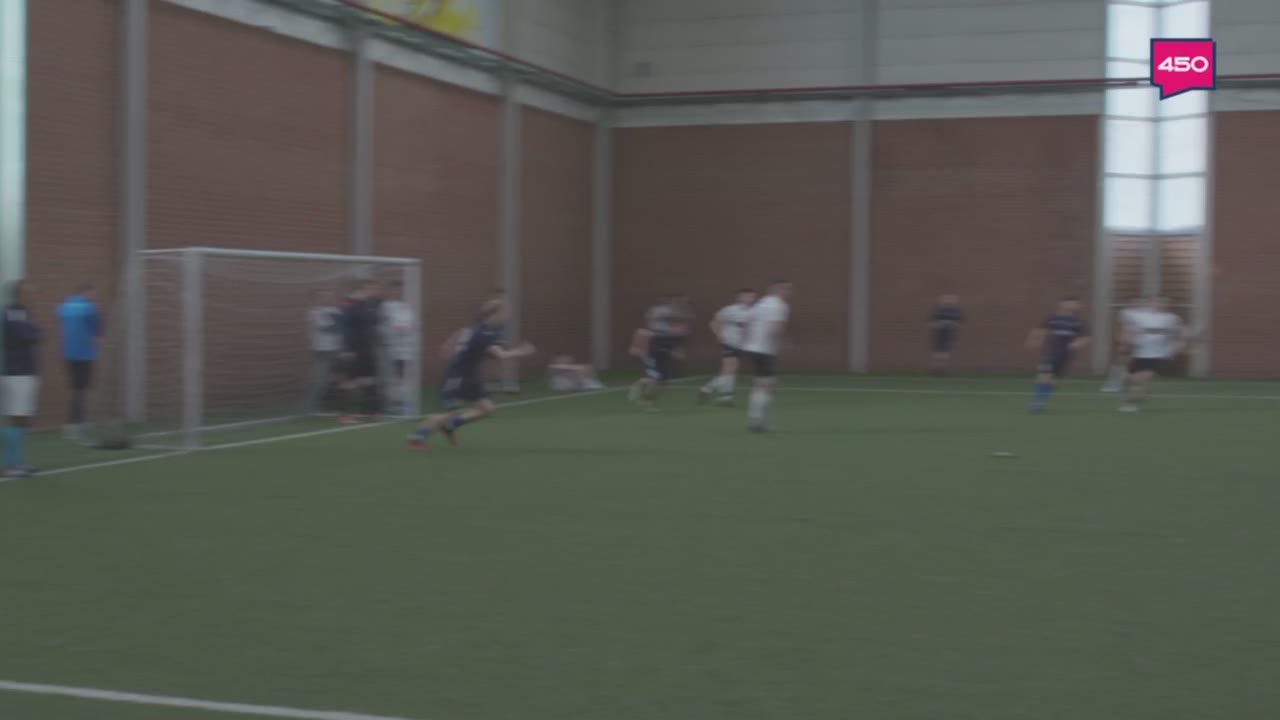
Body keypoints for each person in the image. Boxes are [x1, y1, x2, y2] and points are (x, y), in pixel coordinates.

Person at [406, 298, 534, 449]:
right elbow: (501, 355)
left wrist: (450, 344)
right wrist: (522, 351)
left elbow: (465, 335)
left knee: (487, 408)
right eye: (505, 312)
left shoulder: (486, 329)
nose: (507, 315)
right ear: (496, 313)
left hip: (471, 375)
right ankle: (417, 437)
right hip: (457, 375)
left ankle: (450, 426)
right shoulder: (484, 332)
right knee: (447, 412)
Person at [1119, 296, 1187, 413]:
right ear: (1150, 303)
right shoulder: (1138, 315)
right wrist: (1126, 338)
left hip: (1158, 355)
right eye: (1158, 302)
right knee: (1131, 379)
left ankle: (1132, 403)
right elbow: (1125, 318)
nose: (1161, 304)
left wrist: (1180, 345)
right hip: (1139, 354)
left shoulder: (1171, 318)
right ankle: (1131, 389)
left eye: (1164, 302)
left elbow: (1183, 331)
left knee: (1143, 380)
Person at [742, 281, 792, 432]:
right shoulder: (779, 305)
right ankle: (757, 420)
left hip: (753, 348)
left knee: (760, 384)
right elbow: (775, 328)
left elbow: (746, 322)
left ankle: (756, 419)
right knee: (769, 385)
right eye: (786, 288)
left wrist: (750, 340)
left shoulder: (760, 304)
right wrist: (783, 344)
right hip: (765, 350)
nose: (789, 292)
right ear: (777, 290)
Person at [1025, 296, 1090, 413]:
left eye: (1076, 304)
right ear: (1062, 304)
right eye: (1072, 303)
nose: (1075, 306)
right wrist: (1034, 340)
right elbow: (1039, 329)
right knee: (1044, 375)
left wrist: (1078, 343)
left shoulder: (1077, 321)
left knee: (1054, 381)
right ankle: (1036, 402)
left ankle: (1041, 400)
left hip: (1066, 354)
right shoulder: (1053, 318)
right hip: (1051, 352)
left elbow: (1086, 337)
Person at [2, 281, 41, 477]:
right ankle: (10, 465)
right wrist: (34, 332)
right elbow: (27, 336)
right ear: (19, 294)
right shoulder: (12, 313)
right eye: (29, 293)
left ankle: (19, 461)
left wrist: (34, 332)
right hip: (17, 372)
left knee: (23, 418)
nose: (32, 296)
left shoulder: (24, 313)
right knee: (16, 417)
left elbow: (36, 334)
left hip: (26, 371)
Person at [628, 295, 691, 410]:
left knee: (664, 381)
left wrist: (678, 353)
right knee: (654, 378)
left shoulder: (681, 334)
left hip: (663, 356)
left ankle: (649, 401)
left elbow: (676, 346)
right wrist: (636, 347)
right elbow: (642, 333)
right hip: (651, 355)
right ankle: (638, 386)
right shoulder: (658, 333)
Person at [57, 283, 102, 440]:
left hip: (68, 354)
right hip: (84, 354)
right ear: (87, 292)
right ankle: (74, 424)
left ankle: (81, 420)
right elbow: (98, 329)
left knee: (76, 389)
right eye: (94, 294)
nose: (95, 297)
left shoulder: (64, 306)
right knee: (81, 390)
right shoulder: (90, 307)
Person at [699, 288, 756, 405]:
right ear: (739, 297)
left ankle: (724, 397)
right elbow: (713, 323)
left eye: (753, 297)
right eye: (748, 296)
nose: (751, 299)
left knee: (731, 371)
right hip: (729, 343)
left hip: (741, 345)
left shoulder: (752, 311)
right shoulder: (730, 309)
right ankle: (707, 389)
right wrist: (719, 335)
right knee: (728, 370)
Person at [337, 280, 381, 423]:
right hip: (353, 349)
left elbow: (371, 323)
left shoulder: (366, 305)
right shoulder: (348, 305)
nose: (372, 292)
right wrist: (346, 349)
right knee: (350, 382)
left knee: (369, 380)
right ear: (360, 289)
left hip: (366, 348)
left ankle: (371, 412)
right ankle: (345, 415)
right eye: (370, 289)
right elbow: (344, 328)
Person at [379, 280, 416, 414]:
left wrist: (405, 329)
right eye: (395, 289)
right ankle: (394, 404)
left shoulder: (407, 306)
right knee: (392, 378)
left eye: (400, 289)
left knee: (404, 377)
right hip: (391, 348)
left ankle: (405, 404)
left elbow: (410, 325)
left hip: (406, 349)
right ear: (391, 291)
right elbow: (384, 325)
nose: (398, 292)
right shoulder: (386, 306)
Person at [306, 289, 343, 413]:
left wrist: (337, 321)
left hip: (333, 348)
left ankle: (328, 403)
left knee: (332, 377)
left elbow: (341, 323)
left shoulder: (333, 310)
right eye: (322, 296)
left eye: (328, 296)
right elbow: (327, 328)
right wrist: (336, 321)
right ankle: (314, 404)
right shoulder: (314, 312)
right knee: (320, 377)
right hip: (321, 348)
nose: (326, 299)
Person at [1101, 297, 1145, 393]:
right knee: (1120, 361)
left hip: (1141, 342)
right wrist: (1121, 339)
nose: (1137, 304)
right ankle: (1113, 383)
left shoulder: (1145, 314)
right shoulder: (1126, 312)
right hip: (1127, 340)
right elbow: (1120, 326)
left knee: (1135, 364)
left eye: (1139, 302)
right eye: (1135, 302)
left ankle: (1128, 383)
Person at [928, 294, 964, 376]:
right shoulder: (939, 309)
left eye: (951, 300)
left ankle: (942, 369)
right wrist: (937, 325)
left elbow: (960, 321)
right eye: (947, 299)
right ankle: (935, 368)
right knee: (938, 350)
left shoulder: (955, 310)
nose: (949, 301)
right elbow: (931, 320)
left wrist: (953, 325)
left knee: (946, 350)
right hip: (940, 331)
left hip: (949, 332)